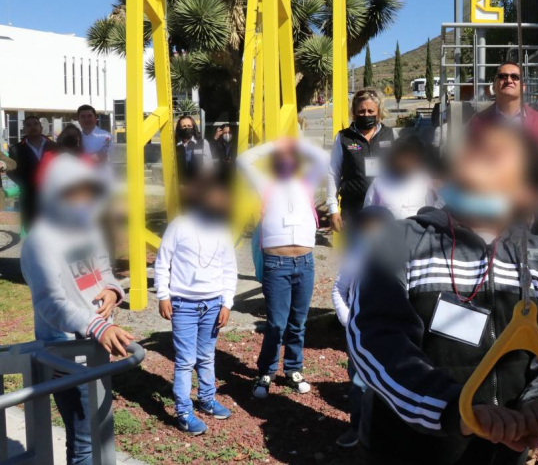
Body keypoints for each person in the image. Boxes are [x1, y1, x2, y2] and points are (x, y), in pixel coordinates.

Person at [347, 122, 538, 465]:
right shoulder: (398, 242)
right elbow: (375, 339)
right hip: (404, 450)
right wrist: (452, 407)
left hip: (502, 454)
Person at [20, 153, 135, 465]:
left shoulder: (88, 229)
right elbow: (49, 302)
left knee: (98, 433)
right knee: (84, 442)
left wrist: (112, 290)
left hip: (96, 347)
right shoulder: (40, 242)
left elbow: (103, 271)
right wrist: (97, 326)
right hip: (67, 354)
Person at [237, 136, 330, 398]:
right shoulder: (265, 184)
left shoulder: (307, 183)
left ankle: (293, 368)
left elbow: (323, 158)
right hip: (276, 264)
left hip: (305, 263)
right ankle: (266, 371)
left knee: (298, 323)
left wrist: (296, 143)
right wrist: (275, 145)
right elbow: (243, 160)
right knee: (276, 324)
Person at [154, 180, 237, 435]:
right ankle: (183, 411)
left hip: (213, 304)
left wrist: (227, 302)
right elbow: (162, 262)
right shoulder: (179, 226)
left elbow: (229, 269)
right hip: (183, 304)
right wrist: (163, 295)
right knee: (185, 360)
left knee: (207, 355)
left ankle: (206, 398)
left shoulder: (222, 229)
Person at [331, 205, 396, 448]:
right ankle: (357, 427)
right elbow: (339, 290)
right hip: (359, 334)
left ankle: (385, 432)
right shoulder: (355, 255)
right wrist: (349, 321)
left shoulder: (400, 257)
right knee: (359, 384)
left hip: (390, 333)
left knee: (391, 383)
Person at [327, 89, 395, 232]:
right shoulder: (343, 138)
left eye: (371, 111)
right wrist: (333, 209)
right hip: (353, 211)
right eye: (361, 111)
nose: (366, 115)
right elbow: (333, 174)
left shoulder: (390, 135)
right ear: (354, 112)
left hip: (385, 210)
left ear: (379, 112)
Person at [467, 62, 538, 168]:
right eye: (503, 76)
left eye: (515, 77)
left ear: (523, 87)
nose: (509, 80)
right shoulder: (478, 123)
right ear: (494, 85)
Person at [362, 136, 437, 219]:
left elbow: (432, 213)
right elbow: (367, 215)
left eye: (411, 158)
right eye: (402, 156)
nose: (406, 162)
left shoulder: (425, 182)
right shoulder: (379, 182)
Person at [8, 116, 58, 231]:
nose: (33, 127)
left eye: (36, 124)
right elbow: (11, 171)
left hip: (53, 198)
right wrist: (27, 184)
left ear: (41, 127)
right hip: (29, 199)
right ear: (24, 129)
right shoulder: (16, 149)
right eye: (28, 125)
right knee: (31, 232)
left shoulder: (55, 146)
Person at [175, 115, 213, 183]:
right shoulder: (175, 146)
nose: (186, 128)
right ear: (179, 129)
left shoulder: (203, 143)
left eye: (189, 126)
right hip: (180, 185)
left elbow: (208, 166)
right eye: (184, 126)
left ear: (193, 127)